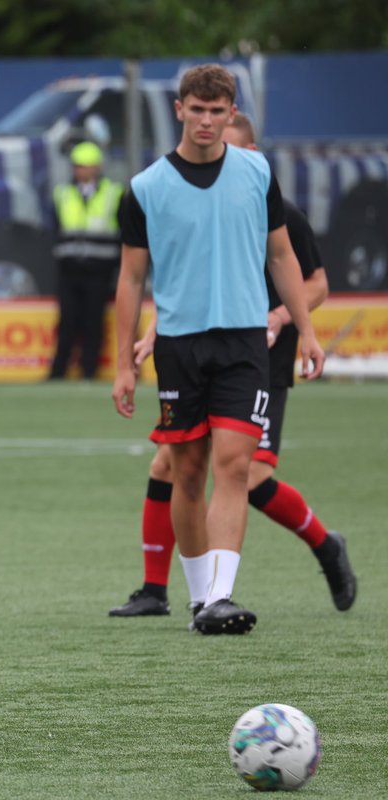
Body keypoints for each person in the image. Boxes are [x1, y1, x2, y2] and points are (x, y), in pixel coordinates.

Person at [109, 112, 357, 619]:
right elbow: (184, 280)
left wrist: (285, 318)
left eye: (233, 144)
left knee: (247, 475)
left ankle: (323, 544)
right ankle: (158, 590)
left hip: (261, 351)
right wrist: (154, 333)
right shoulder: (179, 194)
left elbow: (316, 283)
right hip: (198, 348)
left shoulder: (272, 199)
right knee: (171, 464)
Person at [48, 141, 124, 380]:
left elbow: (123, 230)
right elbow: (55, 228)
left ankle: (89, 371)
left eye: (84, 166)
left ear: (96, 167)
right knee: (67, 321)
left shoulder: (114, 192)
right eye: (77, 166)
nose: (80, 171)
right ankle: (58, 371)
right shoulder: (63, 193)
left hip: (99, 270)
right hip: (69, 269)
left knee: (93, 321)